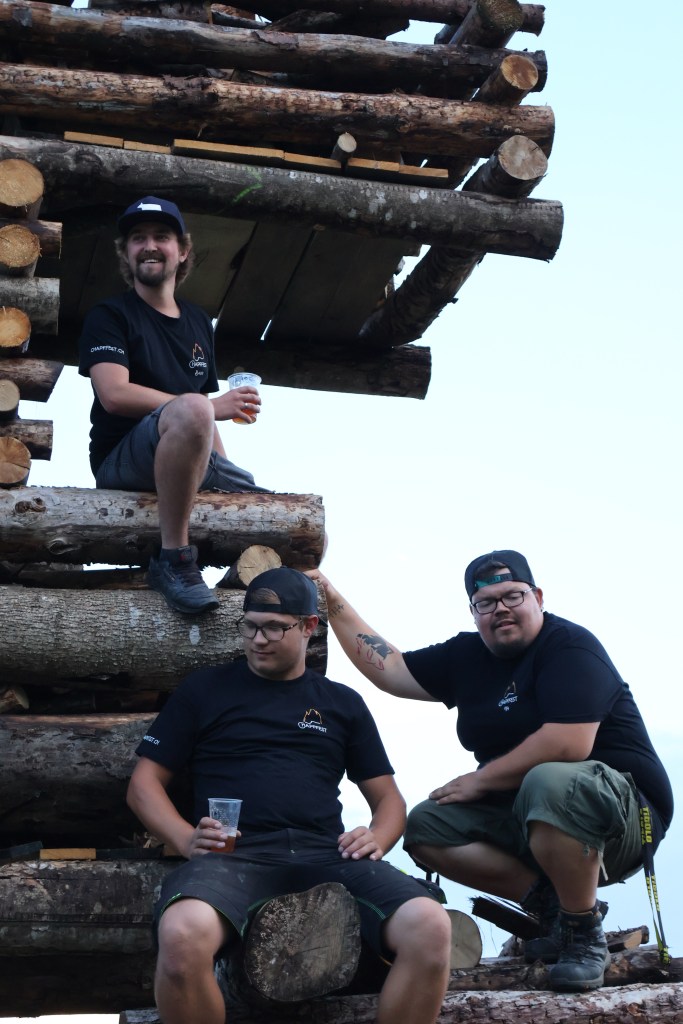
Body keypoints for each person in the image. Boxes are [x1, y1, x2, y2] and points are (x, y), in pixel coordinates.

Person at [309, 550, 673, 992]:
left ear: (538, 597)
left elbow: (569, 742)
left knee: (549, 779)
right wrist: (328, 596)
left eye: (513, 596)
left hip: (625, 820)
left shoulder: (569, 646)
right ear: (473, 611)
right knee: (426, 825)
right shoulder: (467, 654)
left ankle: (583, 935)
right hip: (532, 813)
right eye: (486, 602)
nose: (500, 608)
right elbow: (393, 669)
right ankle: (555, 909)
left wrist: (479, 781)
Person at [126, 567, 452, 1024]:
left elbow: (389, 801)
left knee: (431, 927)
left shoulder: (341, 703)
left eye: (274, 628)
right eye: (250, 626)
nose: (258, 640)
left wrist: (378, 837)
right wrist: (184, 838)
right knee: (181, 936)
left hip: (328, 854)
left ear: (309, 626)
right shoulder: (205, 690)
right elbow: (143, 784)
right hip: (233, 857)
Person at [78, 195, 268, 615]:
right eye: (138, 238)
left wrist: (224, 475)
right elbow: (114, 394)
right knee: (195, 407)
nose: (149, 245)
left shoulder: (199, 321)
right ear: (126, 253)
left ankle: (252, 602)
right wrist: (208, 407)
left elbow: (203, 418)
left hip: (186, 446)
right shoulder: (109, 315)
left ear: (182, 251)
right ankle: (175, 560)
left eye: (161, 236)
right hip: (120, 461)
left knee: (283, 519)